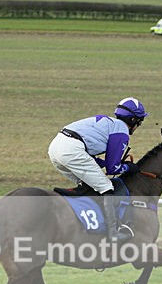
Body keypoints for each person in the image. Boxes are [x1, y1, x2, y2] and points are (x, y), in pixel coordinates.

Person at [48, 97, 148, 241]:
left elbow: (95, 159)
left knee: (90, 184)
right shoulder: (121, 130)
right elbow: (112, 169)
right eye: (140, 122)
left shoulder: (108, 124)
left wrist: (103, 163)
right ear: (133, 120)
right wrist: (128, 167)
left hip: (55, 148)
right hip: (72, 149)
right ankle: (114, 233)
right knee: (106, 187)